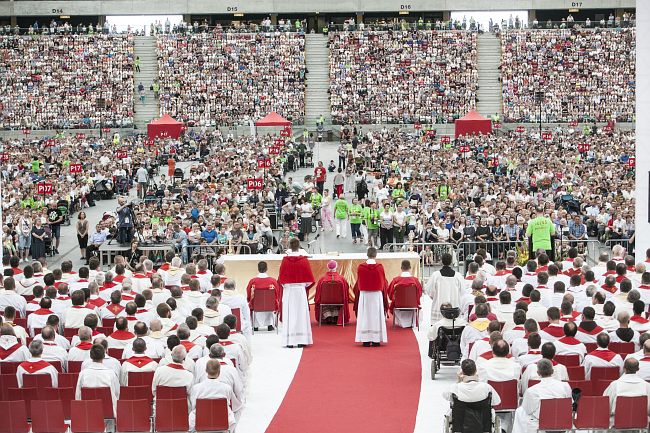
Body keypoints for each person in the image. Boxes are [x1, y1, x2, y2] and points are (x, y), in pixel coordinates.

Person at [512, 359, 572, 433]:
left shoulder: (532, 391)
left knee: (519, 412)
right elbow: (569, 404)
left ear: (538, 373)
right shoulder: (565, 386)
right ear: (553, 371)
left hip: (541, 422)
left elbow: (528, 410)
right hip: (561, 420)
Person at [277, 238, 314, 348]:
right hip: (300, 290)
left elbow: (281, 278)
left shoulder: (285, 260)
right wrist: (302, 285)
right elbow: (309, 279)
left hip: (289, 291)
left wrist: (288, 285)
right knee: (301, 314)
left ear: (289, 246)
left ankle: (290, 341)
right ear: (299, 247)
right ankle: (301, 339)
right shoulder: (303, 260)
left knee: (290, 314)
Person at [189, 360, 239, 432]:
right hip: (221, 422)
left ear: (206, 370)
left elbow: (193, 405)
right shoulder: (226, 388)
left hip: (201, 421)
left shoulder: (196, 388)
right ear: (219, 372)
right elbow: (232, 405)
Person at [354, 247, 388, 347]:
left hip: (365, 295)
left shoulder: (361, 267)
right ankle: (376, 340)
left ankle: (365, 340)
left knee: (365, 316)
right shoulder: (379, 267)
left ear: (367, 255)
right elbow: (383, 282)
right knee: (376, 316)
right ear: (376, 255)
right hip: (376, 295)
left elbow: (359, 281)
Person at [76, 344, 120, 414]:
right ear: (104, 356)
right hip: (108, 413)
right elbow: (117, 393)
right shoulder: (111, 374)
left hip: (88, 412)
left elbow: (78, 395)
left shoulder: (83, 374)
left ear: (90, 356)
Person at [425, 253, 463, 322]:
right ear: (451, 262)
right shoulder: (458, 276)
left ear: (441, 261)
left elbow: (429, 290)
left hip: (439, 305)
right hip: (454, 306)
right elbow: (462, 291)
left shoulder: (435, 275)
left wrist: (435, 297)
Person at [246, 261, 281, 331]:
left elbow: (249, 294)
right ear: (266, 269)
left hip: (256, 305)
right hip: (270, 306)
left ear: (258, 269)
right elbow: (278, 294)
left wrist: (249, 299)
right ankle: (270, 324)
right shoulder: (273, 281)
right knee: (272, 302)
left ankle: (255, 325)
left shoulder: (253, 281)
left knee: (253, 302)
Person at [387, 260, 423, 328]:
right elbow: (419, 293)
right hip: (412, 304)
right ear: (410, 267)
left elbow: (390, 293)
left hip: (398, 304)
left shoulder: (396, 280)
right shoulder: (415, 280)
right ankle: (411, 322)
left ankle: (401, 322)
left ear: (401, 268)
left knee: (394, 303)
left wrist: (395, 298)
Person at [314, 260, 350, 325]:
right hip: (339, 301)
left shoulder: (322, 279)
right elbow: (346, 290)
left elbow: (318, 293)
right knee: (337, 300)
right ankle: (337, 316)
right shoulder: (341, 279)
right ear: (336, 267)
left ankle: (328, 316)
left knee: (326, 300)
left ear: (328, 267)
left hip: (325, 301)